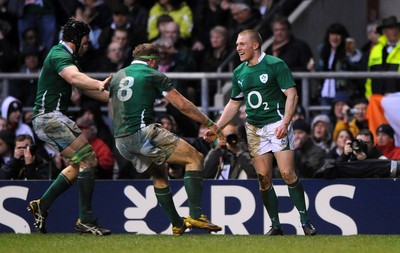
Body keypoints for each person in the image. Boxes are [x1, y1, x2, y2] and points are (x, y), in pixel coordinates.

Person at [204, 29, 317, 236]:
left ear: (255, 45)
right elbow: (233, 104)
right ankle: (275, 225)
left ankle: (305, 221)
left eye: (241, 44)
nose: (237, 48)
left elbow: (292, 95)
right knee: (264, 178)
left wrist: (286, 122)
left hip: (277, 125)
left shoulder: (275, 64)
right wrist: (217, 126)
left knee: (287, 173)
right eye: (237, 44)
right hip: (254, 129)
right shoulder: (239, 72)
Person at [108, 43, 223, 235]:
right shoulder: (153, 75)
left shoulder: (118, 75)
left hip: (121, 139)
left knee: (160, 175)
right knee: (194, 158)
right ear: (151, 60)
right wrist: (209, 122)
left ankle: (177, 224)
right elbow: (182, 105)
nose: (158, 66)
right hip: (144, 132)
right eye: (157, 62)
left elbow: (112, 106)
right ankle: (196, 214)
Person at [27, 19, 112, 236]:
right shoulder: (59, 55)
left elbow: (83, 87)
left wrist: (113, 98)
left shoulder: (67, 56)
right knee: (89, 159)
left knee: (80, 164)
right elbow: (75, 77)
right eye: (86, 39)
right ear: (76, 39)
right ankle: (85, 219)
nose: (88, 44)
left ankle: (42, 205)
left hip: (52, 118)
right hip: (49, 118)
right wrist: (98, 82)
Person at [365, 16, 400, 97]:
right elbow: (369, 77)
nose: (395, 31)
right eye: (391, 28)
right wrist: (369, 97)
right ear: (384, 32)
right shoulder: (376, 50)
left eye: (396, 28)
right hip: (377, 99)